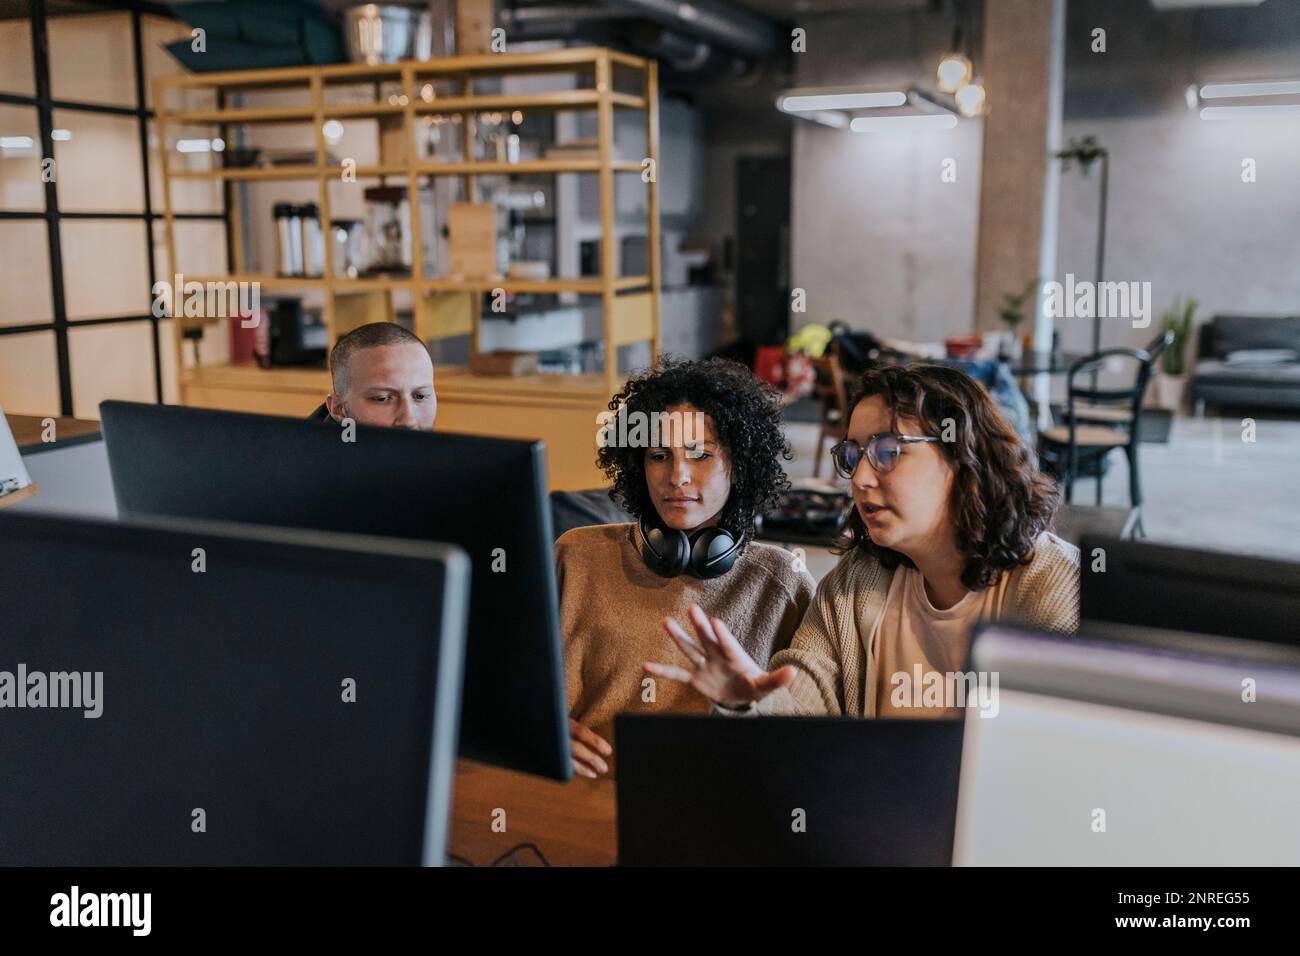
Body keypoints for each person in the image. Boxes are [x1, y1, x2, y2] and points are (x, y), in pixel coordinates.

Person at [646, 361, 1079, 719]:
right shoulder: (853, 585)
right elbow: (802, 704)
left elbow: (1055, 759)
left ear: (963, 456)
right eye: (853, 455)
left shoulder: (1051, 585)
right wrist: (749, 702)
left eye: (888, 451)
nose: (861, 477)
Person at [557, 358, 816, 777]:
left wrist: (749, 705)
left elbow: (813, 736)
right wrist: (543, 731)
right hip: (579, 799)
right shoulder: (576, 555)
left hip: (711, 809)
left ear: (740, 464)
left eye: (700, 455)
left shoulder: (782, 581)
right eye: (660, 455)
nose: (676, 476)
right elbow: (507, 688)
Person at [308, 322, 436, 430]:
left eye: (420, 396)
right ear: (338, 409)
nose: (408, 421)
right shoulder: (302, 458)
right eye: (382, 398)